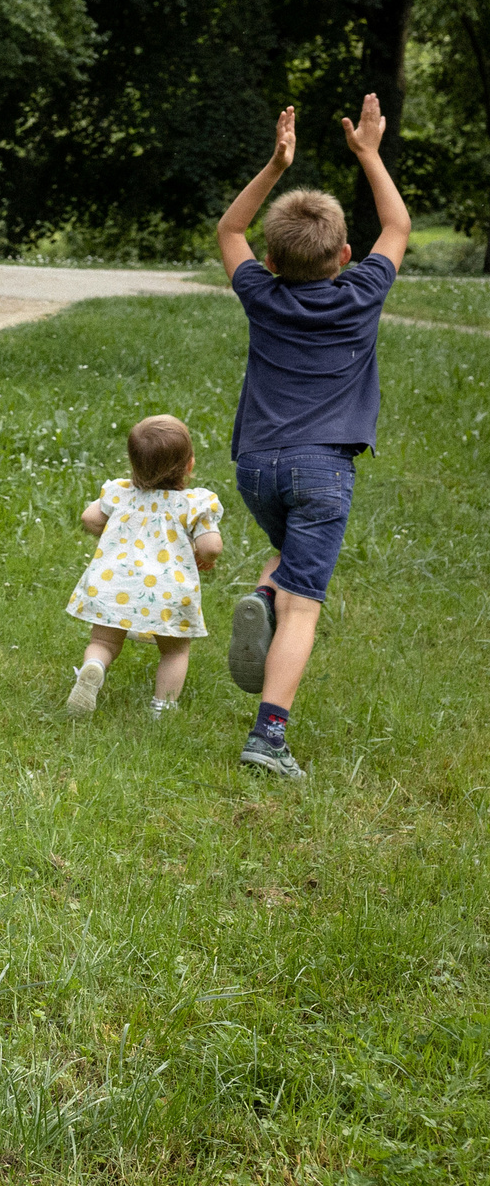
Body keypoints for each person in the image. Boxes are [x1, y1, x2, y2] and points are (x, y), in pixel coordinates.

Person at [212, 96, 410, 780]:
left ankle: (262, 597)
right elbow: (399, 222)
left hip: (256, 466)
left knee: (283, 558)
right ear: (346, 255)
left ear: (268, 257)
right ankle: (268, 736)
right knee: (306, 602)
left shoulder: (261, 294)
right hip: (323, 471)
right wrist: (369, 153)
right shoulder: (362, 292)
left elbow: (227, 227)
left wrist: (275, 164)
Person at [63, 415, 224, 717]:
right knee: (175, 650)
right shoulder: (193, 503)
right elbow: (211, 545)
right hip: (167, 590)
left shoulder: (120, 493)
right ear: (189, 465)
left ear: (133, 463)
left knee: (103, 642)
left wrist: (110, 530)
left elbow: (89, 518)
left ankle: (93, 667)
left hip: (115, 584)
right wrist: (206, 557)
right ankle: (163, 708)